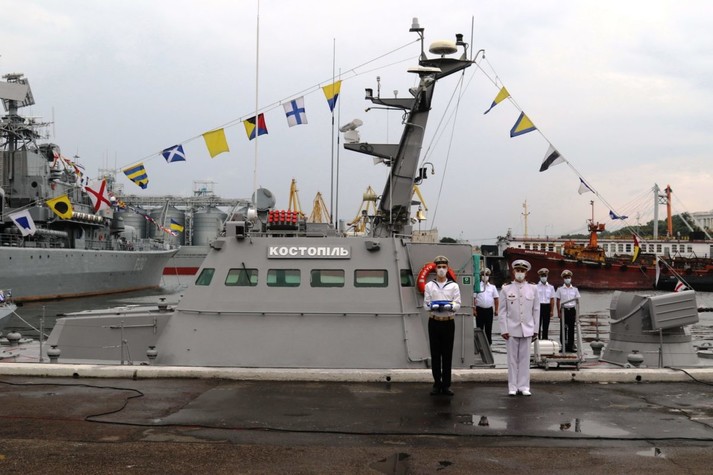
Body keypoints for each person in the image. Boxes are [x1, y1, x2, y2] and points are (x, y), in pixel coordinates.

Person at [498, 259, 539, 396]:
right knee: (512, 360)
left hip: (527, 328)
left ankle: (524, 386)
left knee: (525, 359)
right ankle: (513, 386)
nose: (520, 273)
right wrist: (504, 329)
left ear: (526, 273)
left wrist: (535, 329)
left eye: (522, 271)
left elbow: (536, 310)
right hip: (511, 329)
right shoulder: (506, 289)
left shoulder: (533, 288)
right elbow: (502, 311)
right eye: (518, 270)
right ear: (513, 271)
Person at [423, 255, 461, 396]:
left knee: (447, 354)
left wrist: (449, 307)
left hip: (448, 321)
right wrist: (433, 306)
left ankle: (446, 385)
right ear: (435, 269)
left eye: (444, 267)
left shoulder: (453, 286)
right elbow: (426, 304)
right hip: (434, 321)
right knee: (435, 354)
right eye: (439, 267)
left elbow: (458, 303)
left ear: (447, 268)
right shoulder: (429, 285)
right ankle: (436, 383)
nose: (441, 269)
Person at [556, 269, 581, 353]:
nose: (567, 279)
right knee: (563, 329)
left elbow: (577, 302)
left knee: (571, 329)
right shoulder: (560, 289)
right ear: (563, 279)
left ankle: (570, 346)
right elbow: (558, 301)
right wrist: (558, 312)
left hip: (572, 310)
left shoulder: (575, 289)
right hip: (564, 310)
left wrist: (577, 313)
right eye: (566, 277)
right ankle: (563, 346)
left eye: (569, 277)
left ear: (571, 278)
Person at [473, 268, 499, 344]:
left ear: (489, 276)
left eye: (487, 275)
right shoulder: (477, 286)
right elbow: (473, 298)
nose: (485, 276)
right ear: (481, 276)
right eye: (483, 275)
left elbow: (496, 299)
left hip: (489, 310)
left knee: (489, 328)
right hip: (479, 310)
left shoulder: (492, 287)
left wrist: (496, 310)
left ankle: (488, 344)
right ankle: (479, 344)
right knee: (479, 328)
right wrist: (474, 309)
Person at [535, 268, 555, 340]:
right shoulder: (535, 287)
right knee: (537, 324)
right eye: (542, 276)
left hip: (547, 306)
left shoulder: (551, 287)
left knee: (546, 325)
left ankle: (545, 339)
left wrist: (552, 310)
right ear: (539, 276)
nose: (543, 277)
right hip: (538, 306)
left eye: (545, 276)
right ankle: (537, 340)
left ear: (547, 276)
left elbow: (552, 299)